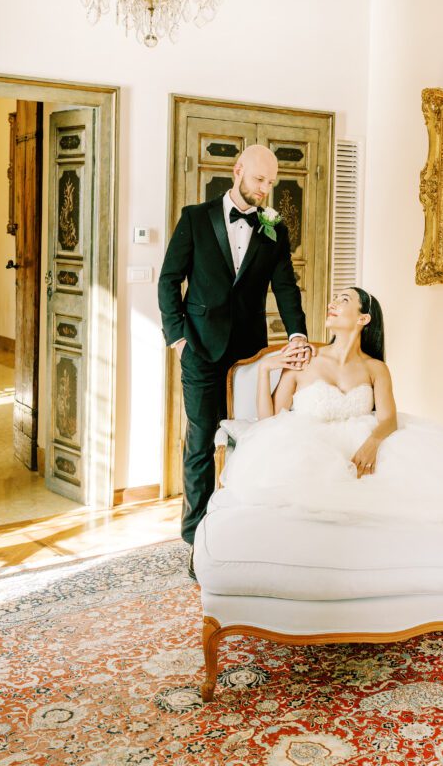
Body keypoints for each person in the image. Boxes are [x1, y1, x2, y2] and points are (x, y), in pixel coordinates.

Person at [212, 287, 443, 642]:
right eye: (333, 298)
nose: (332, 302)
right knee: (424, 502)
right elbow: (268, 422)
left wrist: (375, 442)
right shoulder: (306, 361)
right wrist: (266, 370)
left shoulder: (376, 368)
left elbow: (389, 418)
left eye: (344, 300)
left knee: (436, 493)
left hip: (367, 449)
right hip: (313, 454)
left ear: (363, 319)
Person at [158, 144, 310, 578]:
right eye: (260, 180)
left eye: (271, 182)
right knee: (202, 440)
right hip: (201, 349)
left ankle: (240, 532)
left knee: (248, 440)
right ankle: (196, 538)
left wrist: (297, 333)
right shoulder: (194, 218)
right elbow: (170, 280)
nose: (266, 189)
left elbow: (286, 288)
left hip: (248, 355)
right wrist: (178, 339)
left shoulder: (274, 230)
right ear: (238, 170)